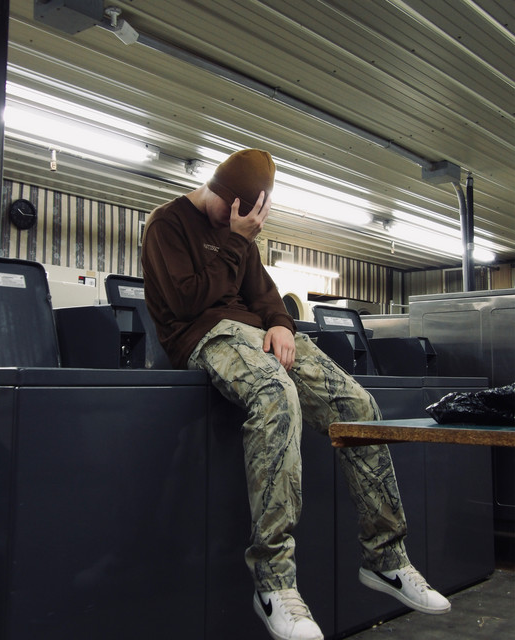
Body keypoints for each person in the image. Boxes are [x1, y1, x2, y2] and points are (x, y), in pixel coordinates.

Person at [141, 149, 451, 640]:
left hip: (254, 333)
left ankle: (385, 556)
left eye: (250, 219)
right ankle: (274, 582)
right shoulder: (167, 224)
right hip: (201, 336)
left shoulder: (240, 233)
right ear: (224, 194)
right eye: (237, 214)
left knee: (358, 405)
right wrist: (236, 239)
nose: (240, 223)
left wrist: (282, 324)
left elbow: (264, 294)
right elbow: (187, 301)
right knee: (275, 395)